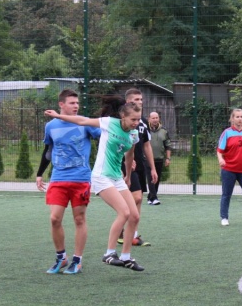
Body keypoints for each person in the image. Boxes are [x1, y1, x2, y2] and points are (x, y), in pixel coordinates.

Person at [44, 101, 147, 271]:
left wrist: (128, 176)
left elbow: (130, 155)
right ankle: (109, 254)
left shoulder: (134, 133)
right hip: (101, 176)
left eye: (138, 119)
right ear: (123, 116)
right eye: (133, 119)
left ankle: (126, 257)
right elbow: (82, 121)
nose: (136, 123)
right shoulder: (109, 123)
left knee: (134, 216)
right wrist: (58, 115)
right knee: (124, 212)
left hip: (117, 178)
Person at [36, 89, 101, 274]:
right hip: (58, 178)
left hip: (81, 178)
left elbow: (104, 139)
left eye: (77, 103)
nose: (76, 106)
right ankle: (61, 258)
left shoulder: (85, 122)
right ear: (61, 104)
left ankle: (77, 260)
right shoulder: (51, 126)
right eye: (72, 103)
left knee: (79, 219)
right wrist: (40, 173)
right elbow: (48, 151)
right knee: (54, 218)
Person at [117, 88, 157, 246]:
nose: (140, 102)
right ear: (128, 102)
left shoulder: (143, 121)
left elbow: (147, 145)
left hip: (139, 165)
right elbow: (114, 143)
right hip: (125, 165)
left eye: (141, 99)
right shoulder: (120, 120)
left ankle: (132, 234)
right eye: (136, 99)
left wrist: (152, 168)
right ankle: (122, 230)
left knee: (138, 200)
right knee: (136, 198)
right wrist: (124, 160)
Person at [146, 111, 172, 205]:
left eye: (156, 118)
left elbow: (168, 146)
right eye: (153, 118)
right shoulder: (145, 130)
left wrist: (168, 158)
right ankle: (154, 198)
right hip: (147, 159)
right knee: (151, 178)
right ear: (149, 119)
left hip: (159, 159)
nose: (155, 120)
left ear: (159, 119)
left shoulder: (164, 131)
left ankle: (151, 197)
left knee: (156, 179)